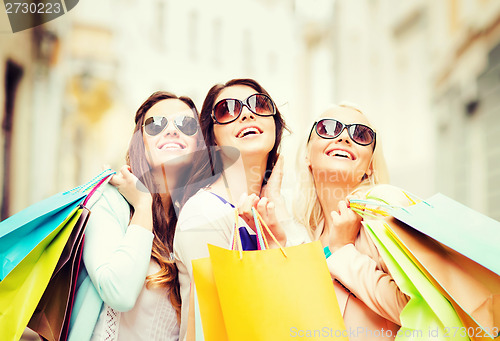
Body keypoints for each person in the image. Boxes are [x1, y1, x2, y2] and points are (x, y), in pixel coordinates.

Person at [173, 78, 309, 340]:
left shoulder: (286, 212)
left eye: (260, 105)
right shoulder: (203, 213)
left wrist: (276, 205)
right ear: (211, 136)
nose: (247, 113)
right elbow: (227, 320)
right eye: (227, 109)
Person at [69, 91, 204, 341]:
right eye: (156, 124)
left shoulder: (199, 215)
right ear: (140, 143)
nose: (172, 131)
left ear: (199, 143)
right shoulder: (110, 202)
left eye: (186, 124)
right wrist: (143, 205)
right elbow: (118, 293)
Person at [294, 103, 410, 341]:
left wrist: (344, 250)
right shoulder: (306, 236)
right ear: (308, 156)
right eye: (328, 128)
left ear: (369, 166)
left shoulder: (385, 210)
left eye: (360, 134)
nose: (345, 137)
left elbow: (414, 308)